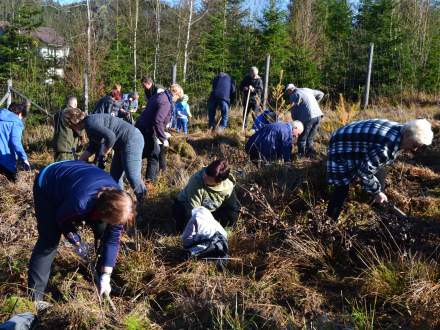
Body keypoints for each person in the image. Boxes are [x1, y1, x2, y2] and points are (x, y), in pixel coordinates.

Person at [28, 160, 135, 302]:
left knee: (103, 230)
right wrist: (77, 242)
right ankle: (35, 298)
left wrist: (106, 275)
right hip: (49, 182)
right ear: (102, 212)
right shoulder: (80, 204)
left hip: (79, 178)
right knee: (49, 240)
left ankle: (98, 272)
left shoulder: (119, 202)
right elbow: (62, 220)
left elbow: (113, 239)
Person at [326, 118, 434, 222]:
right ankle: (329, 222)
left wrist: (377, 191)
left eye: (418, 146)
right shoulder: (385, 148)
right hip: (341, 144)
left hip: (355, 139)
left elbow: (376, 163)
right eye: (414, 145)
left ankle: (379, 208)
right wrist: (376, 192)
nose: (415, 149)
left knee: (378, 170)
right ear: (407, 135)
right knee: (342, 187)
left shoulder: (403, 130)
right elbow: (364, 172)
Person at [63, 109, 147, 203]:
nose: (71, 128)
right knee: (115, 177)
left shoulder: (90, 123)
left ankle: (145, 203)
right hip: (121, 145)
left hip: (132, 139)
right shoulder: (89, 124)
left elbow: (111, 137)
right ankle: (121, 203)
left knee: (132, 176)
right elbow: (93, 146)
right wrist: (81, 160)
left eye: (70, 126)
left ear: (73, 123)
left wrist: (103, 154)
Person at [173, 159, 240, 232]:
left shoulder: (227, 187)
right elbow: (194, 210)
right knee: (182, 215)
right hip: (188, 205)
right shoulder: (197, 180)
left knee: (231, 215)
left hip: (211, 212)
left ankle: (214, 230)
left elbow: (233, 208)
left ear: (218, 182)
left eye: (209, 180)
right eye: (205, 174)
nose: (204, 178)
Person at [136, 84, 184, 183]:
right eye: (178, 97)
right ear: (175, 94)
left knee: (145, 152)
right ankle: (150, 183)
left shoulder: (161, 95)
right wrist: (163, 138)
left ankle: (128, 167)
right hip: (147, 129)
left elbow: (157, 115)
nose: (176, 100)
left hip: (142, 126)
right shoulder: (166, 102)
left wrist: (164, 129)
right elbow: (158, 121)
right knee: (154, 154)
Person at [286, 84, 324, 157]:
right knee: (310, 137)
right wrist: (315, 103)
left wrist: (296, 123)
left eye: (287, 92)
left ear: (290, 90)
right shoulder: (306, 89)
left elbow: (294, 112)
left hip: (308, 118)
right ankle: (310, 154)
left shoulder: (293, 95)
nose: (288, 94)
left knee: (302, 138)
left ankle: (301, 155)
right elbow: (321, 94)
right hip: (318, 115)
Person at [0, 102, 31, 181]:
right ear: (20, 114)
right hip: (4, 161)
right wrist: (24, 159)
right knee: (11, 183)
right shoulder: (16, 122)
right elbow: (15, 142)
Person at [52, 96, 83, 161]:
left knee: (58, 168)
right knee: (67, 169)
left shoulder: (57, 114)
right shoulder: (72, 113)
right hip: (67, 149)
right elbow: (80, 130)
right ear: (75, 104)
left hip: (57, 147)